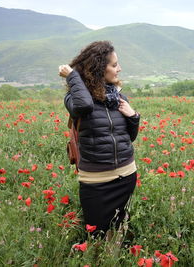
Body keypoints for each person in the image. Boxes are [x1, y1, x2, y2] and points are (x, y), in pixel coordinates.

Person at [58, 41, 140, 240]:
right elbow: (85, 105)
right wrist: (73, 76)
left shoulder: (119, 98)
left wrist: (133, 116)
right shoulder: (74, 98)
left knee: (120, 232)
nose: (119, 69)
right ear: (98, 67)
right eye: (114, 65)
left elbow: (129, 137)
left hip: (126, 175)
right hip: (96, 182)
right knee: (96, 235)